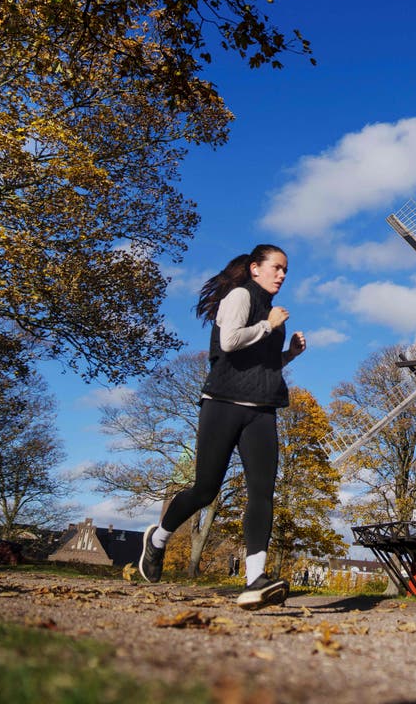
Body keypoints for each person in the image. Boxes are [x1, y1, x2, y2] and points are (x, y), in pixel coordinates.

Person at [137, 244, 306, 610]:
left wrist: (289, 354)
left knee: (262, 491)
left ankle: (254, 579)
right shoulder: (239, 296)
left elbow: (259, 362)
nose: (281, 275)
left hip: (261, 409)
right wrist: (268, 325)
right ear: (255, 268)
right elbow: (230, 343)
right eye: (276, 267)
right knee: (205, 489)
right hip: (223, 404)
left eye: (285, 270)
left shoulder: (274, 313)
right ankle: (159, 540)